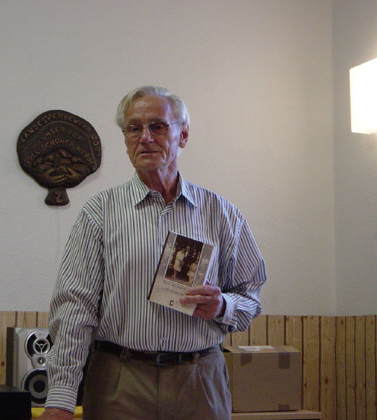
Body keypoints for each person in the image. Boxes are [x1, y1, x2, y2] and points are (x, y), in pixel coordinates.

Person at [40, 86, 267, 420]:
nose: (145, 137)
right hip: (119, 382)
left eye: (158, 126)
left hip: (199, 381)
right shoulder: (99, 213)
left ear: (183, 135)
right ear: (125, 139)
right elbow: (74, 308)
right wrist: (60, 399)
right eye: (134, 128)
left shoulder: (221, 213)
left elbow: (251, 295)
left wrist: (223, 305)